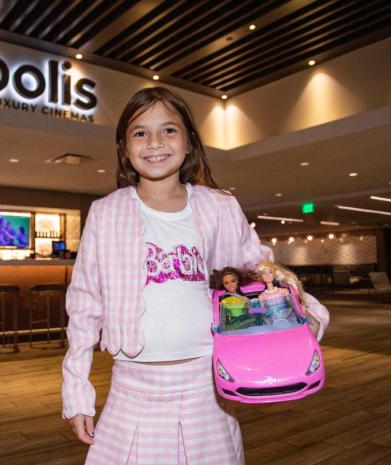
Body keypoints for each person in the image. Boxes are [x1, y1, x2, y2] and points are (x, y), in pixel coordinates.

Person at [61, 87, 330, 465]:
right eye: (140, 133)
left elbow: (259, 270)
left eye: (169, 130)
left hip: (206, 389)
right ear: (124, 147)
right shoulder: (105, 213)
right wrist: (77, 392)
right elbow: (84, 306)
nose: (155, 142)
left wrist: (308, 315)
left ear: (189, 142)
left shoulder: (218, 207)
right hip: (131, 391)